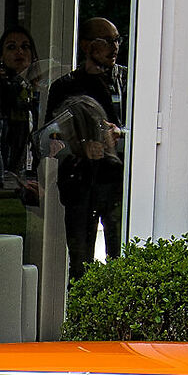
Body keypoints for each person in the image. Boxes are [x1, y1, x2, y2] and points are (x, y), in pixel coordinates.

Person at [45, 17, 127, 276]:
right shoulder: (65, 87)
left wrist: (121, 134)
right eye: (106, 41)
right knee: (80, 263)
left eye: (117, 40)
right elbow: (49, 138)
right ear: (86, 46)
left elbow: (150, 130)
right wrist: (80, 147)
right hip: (80, 184)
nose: (114, 47)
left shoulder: (127, 82)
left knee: (122, 258)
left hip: (117, 184)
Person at [0, 25, 40, 188]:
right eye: (12, 47)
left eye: (25, 47)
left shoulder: (39, 84)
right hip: (3, 122)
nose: (20, 52)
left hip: (24, 124)